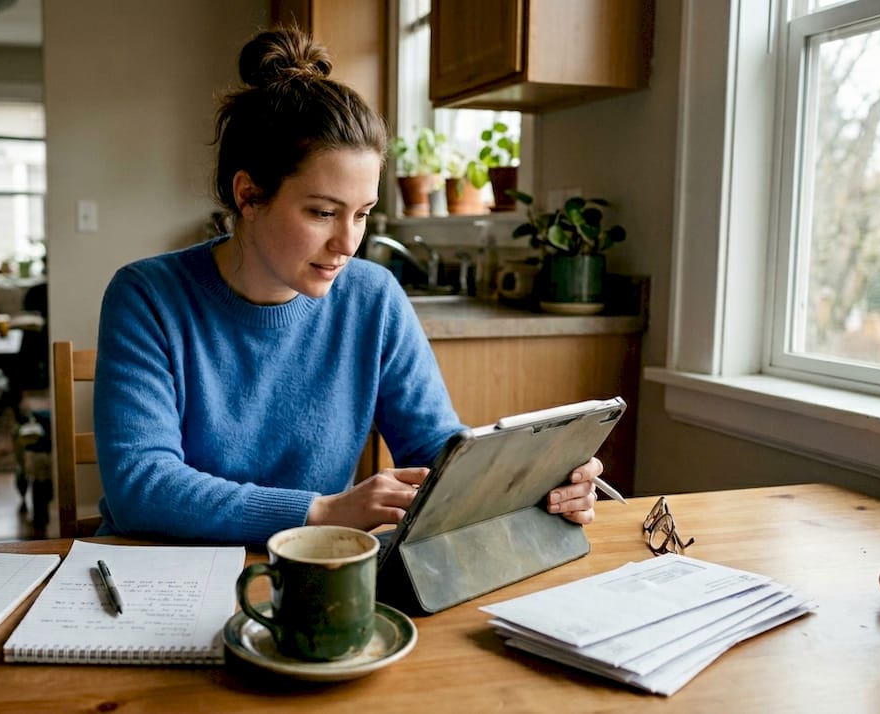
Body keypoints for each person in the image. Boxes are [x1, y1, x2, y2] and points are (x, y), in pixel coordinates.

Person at [92, 26, 602, 545]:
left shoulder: (373, 298)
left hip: (314, 572)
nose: (347, 242)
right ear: (247, 195)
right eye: (322, 212)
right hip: (159, 571)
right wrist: (320, 510)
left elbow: (436, 453)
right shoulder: (147, 296)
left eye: (362, 214)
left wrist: (532, 482)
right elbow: (141, 488)